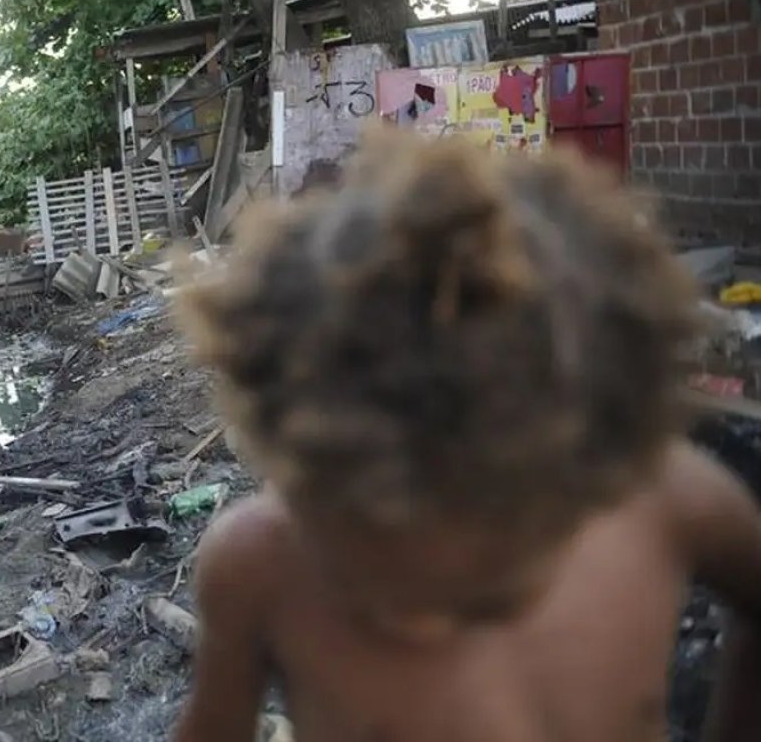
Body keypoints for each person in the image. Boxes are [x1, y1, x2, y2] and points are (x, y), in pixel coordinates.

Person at [173, 125, 761, 742]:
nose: (423, 627)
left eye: (493, 598)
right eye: (375, 580)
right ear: (293, 472)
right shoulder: (256, 566)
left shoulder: (665, 500)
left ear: (589, 479)